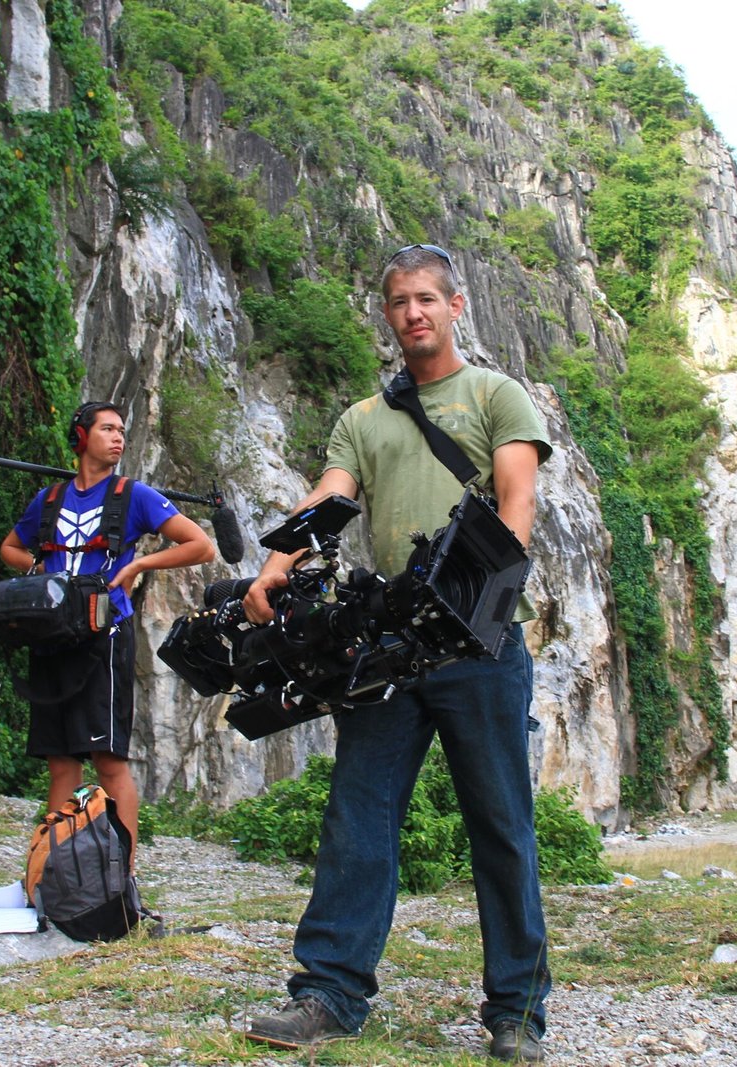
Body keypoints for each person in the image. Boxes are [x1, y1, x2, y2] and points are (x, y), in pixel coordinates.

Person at [240, 244, 554, 1063]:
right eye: (398, 301)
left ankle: (517, 1012)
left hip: (478, 642)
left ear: (456, 306)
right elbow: (330, 497)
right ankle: (329, 993)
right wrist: (275, 565)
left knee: (502, 824)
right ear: (387, 315)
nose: (412, 311)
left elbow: (517, 503)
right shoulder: (364, 418)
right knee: (359, 817)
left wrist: (484, 597)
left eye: (426, 298)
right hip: (388, 647)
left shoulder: (495, 394)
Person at [0, 401, 215, 870]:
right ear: (81, 438)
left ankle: (122, 877)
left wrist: (138, 563)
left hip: (105, 637)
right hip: (52, 639)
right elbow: (10, 548)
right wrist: (41, 574)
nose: (118, 438)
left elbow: (201, 544)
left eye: (122, 430)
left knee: (108, 759)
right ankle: (51, 872)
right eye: (107, 429)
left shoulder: (133, 495)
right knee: (61, 761)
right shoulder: (49, 500)